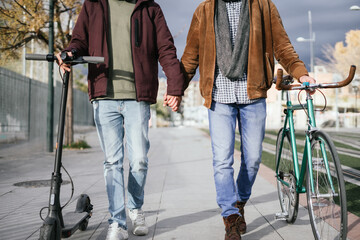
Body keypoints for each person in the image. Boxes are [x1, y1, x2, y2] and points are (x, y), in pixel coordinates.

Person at [179, 0, 316, 239]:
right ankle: (230, 216)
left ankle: (240, 202)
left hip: (252, 93)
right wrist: (175, 89)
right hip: (219, 96)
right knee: (222, 161)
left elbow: (282, 46)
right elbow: (191, 56)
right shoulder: (204, 10)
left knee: (252, 159)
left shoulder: (263, 6)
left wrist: (301, 72)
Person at [56, 0, 184, 239]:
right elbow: (80, 40)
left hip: (138, 95)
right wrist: (70, 53)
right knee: (112, 162)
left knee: (139, 160)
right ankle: (118, 222)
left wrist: (175, 87)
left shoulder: (150, 8)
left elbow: (166, 48)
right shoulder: (93, 5)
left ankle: (135, 209)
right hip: (104, 95)